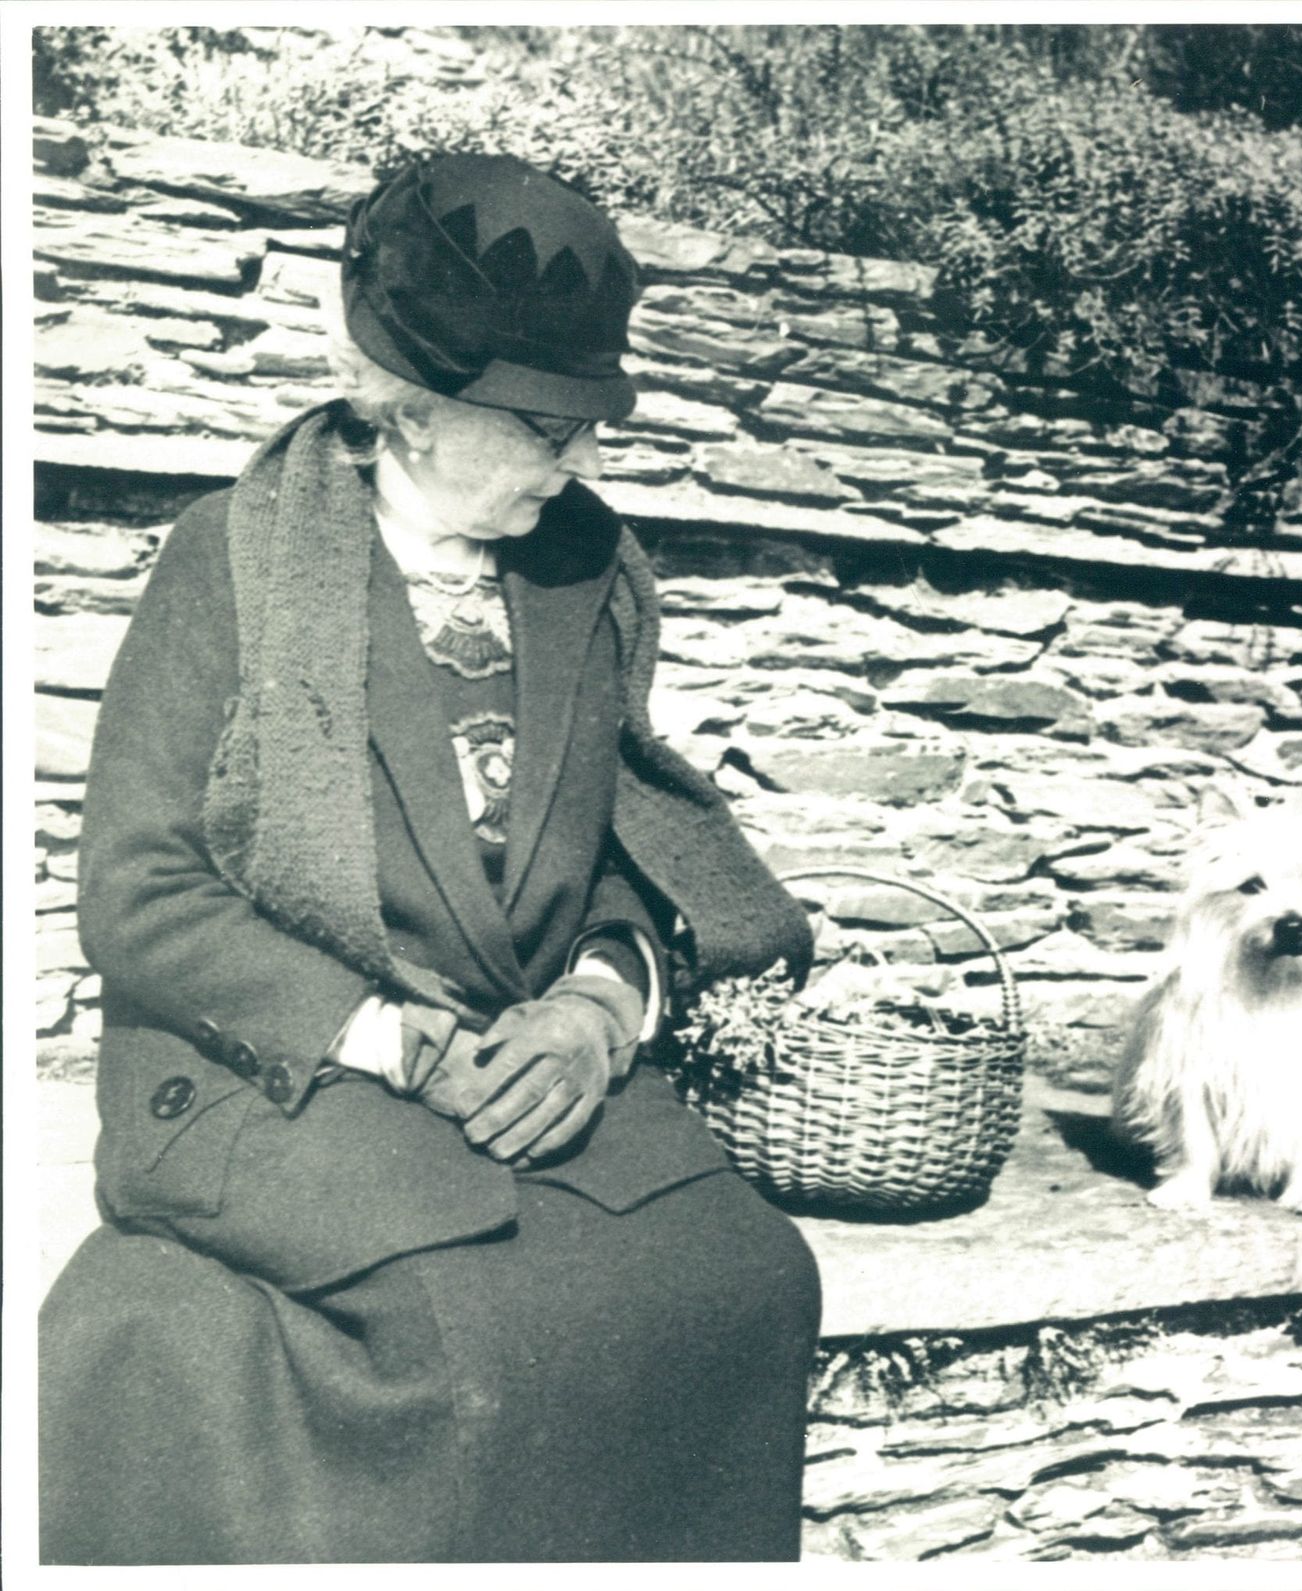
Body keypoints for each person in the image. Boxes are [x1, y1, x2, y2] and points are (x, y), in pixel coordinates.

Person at [39, 153, 821, 1565]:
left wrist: (595, 1009)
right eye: (540, 428)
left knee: (751, 1281)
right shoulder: (230, 560)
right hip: (289, 1060)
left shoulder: (588, 569)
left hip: (520, 1047)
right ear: (405, 411)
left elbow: (629, 844)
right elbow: (139, 890)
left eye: (586, 429)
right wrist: (397, 1043)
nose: (575, 463)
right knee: (468, 1333)